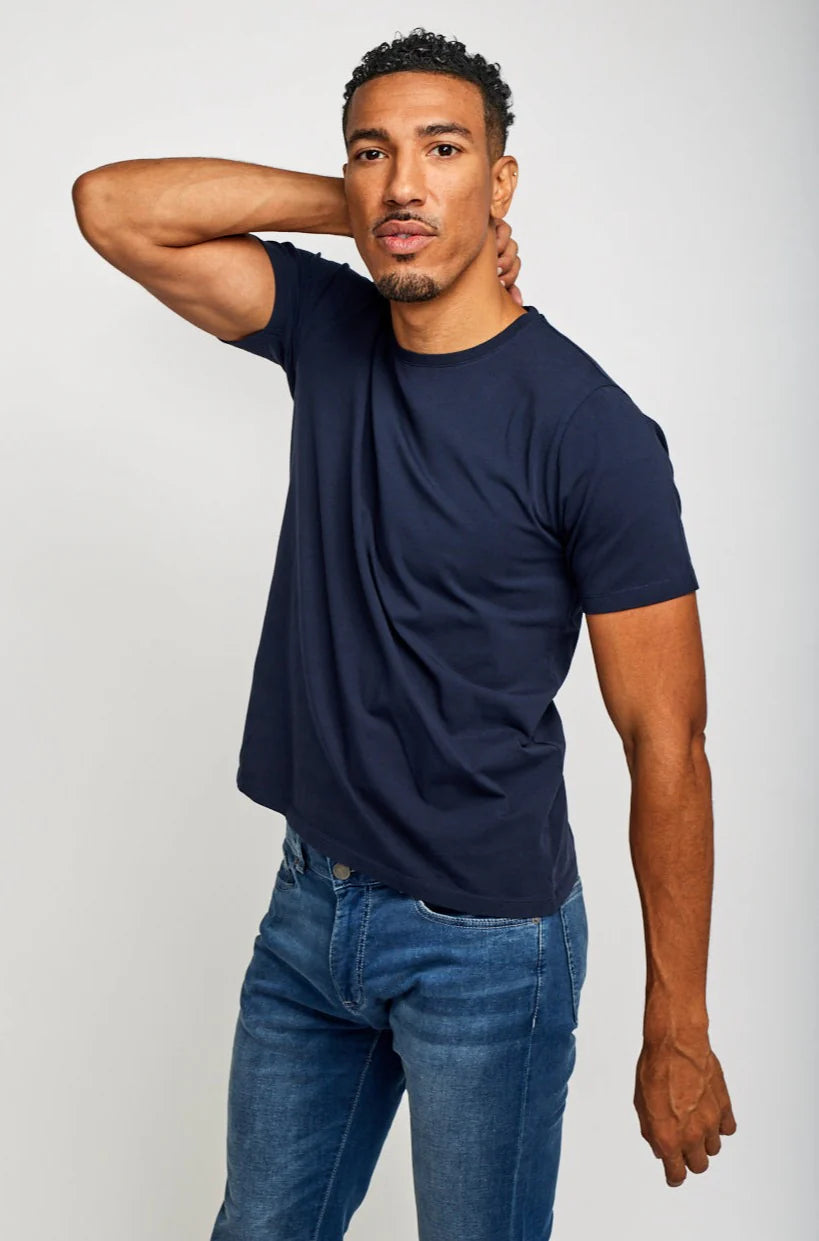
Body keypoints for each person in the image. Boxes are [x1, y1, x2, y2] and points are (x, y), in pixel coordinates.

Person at [72, 26, 737, 1241]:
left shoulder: (591, 431)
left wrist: (678, 1025)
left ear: (503, 179)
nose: (404, 179)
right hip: (310, 908)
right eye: (373, 153)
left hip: (489, 946)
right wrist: (369, 211)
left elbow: (668, 742)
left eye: (444, 150)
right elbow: (113, 208)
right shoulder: (329, 327)